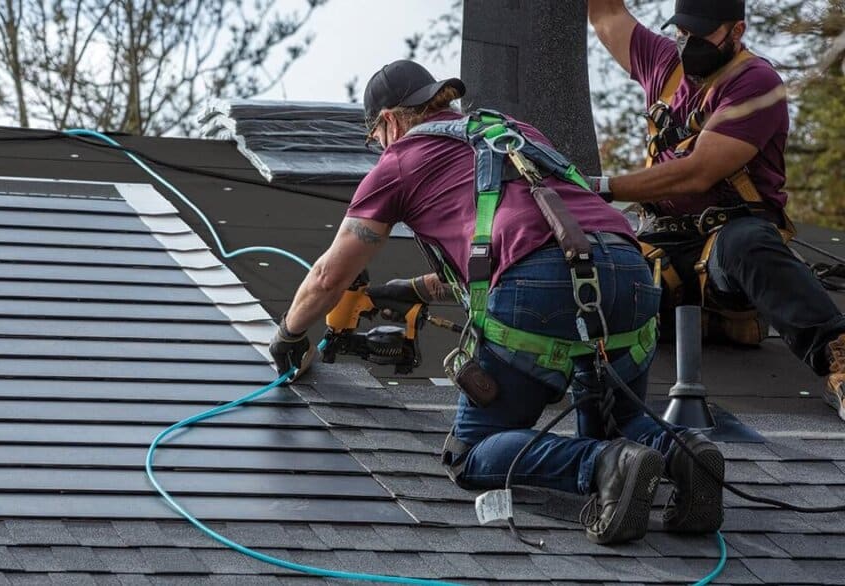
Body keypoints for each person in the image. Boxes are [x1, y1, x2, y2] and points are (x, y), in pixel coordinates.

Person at [269, 59, 724, 544]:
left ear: (388, 122)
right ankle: (685, 455)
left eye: (375, 138)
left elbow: (327, 276)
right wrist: (414, 289)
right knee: (624, 423)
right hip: (630, 270)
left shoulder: (398, 161)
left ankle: (603, 466)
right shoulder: (513, 133)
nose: (378, 149)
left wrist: (290, 335)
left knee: (472, 452)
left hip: (542, 283)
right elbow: (518, 240)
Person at [588, 0, 845, 422]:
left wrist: (603, 187)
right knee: (588, 260)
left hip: (725, 248)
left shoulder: (756, 84)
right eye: (681, 32)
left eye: (700, 34)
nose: (687, 43)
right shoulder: (662, 63)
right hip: (659, 252)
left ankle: (837, 359)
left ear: (736, 31)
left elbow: (698, 173)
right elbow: (605, 15)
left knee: (750, 244)